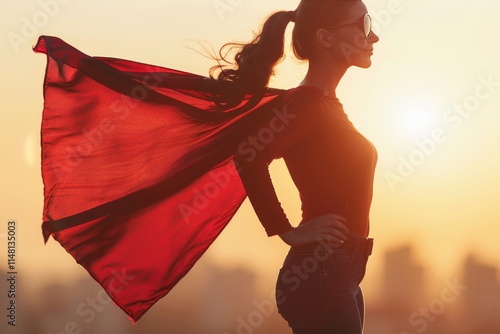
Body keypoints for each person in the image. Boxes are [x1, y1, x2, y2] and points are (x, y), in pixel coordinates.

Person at [211, 0, 379, 332]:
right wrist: (287, 231)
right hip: (321, 275)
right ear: (326, 38)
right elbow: (249, 155)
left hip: (338, 273)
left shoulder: (323, 104)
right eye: (363, 25)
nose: (373, 37)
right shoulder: (309, 104)